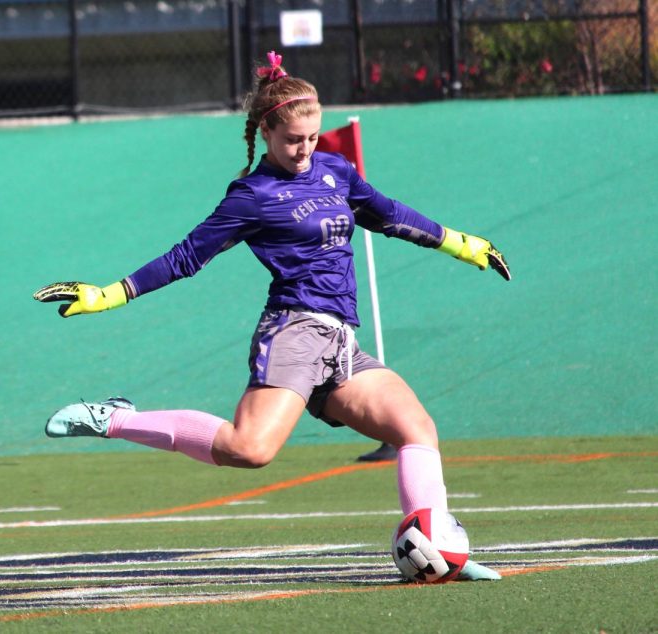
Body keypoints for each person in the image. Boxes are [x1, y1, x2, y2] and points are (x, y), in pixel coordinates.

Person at [34, 51, 509, 581]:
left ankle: (440, 547)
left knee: (416, 427)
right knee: (249, 449)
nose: (305, 149)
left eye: (312, 137)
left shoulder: (334, 170)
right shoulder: (251, 196)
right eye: (293, 140)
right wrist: (109, 294)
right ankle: (116, 418)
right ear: (266, 131)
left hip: (340, 342)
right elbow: (185, 257)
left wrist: (464, 245)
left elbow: (389, 215)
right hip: (294, 332)